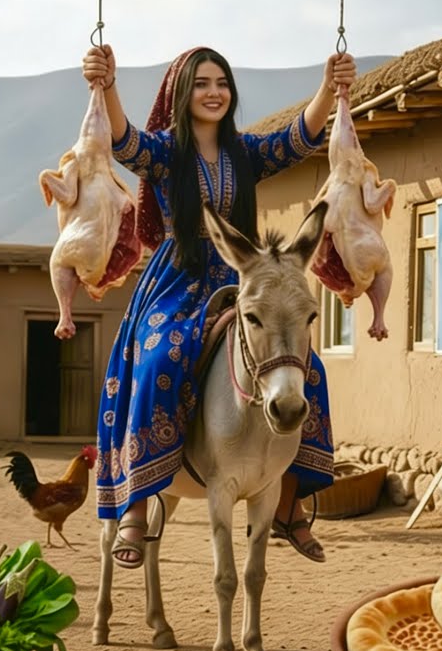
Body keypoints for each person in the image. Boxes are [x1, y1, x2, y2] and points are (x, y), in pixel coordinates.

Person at [82, 43, 355, 568]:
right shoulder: (164, 153)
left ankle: (290, 501)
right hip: (176, 282)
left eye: (222, 83)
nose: (214, 93)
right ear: (184, 94)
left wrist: (329, 86)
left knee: (306, 367)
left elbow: (299, 139)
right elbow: (122, 142)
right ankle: (138, 506)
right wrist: (107, 83)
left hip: (243, 276)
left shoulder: (245, 153)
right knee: (161, 355)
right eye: (203, 84)